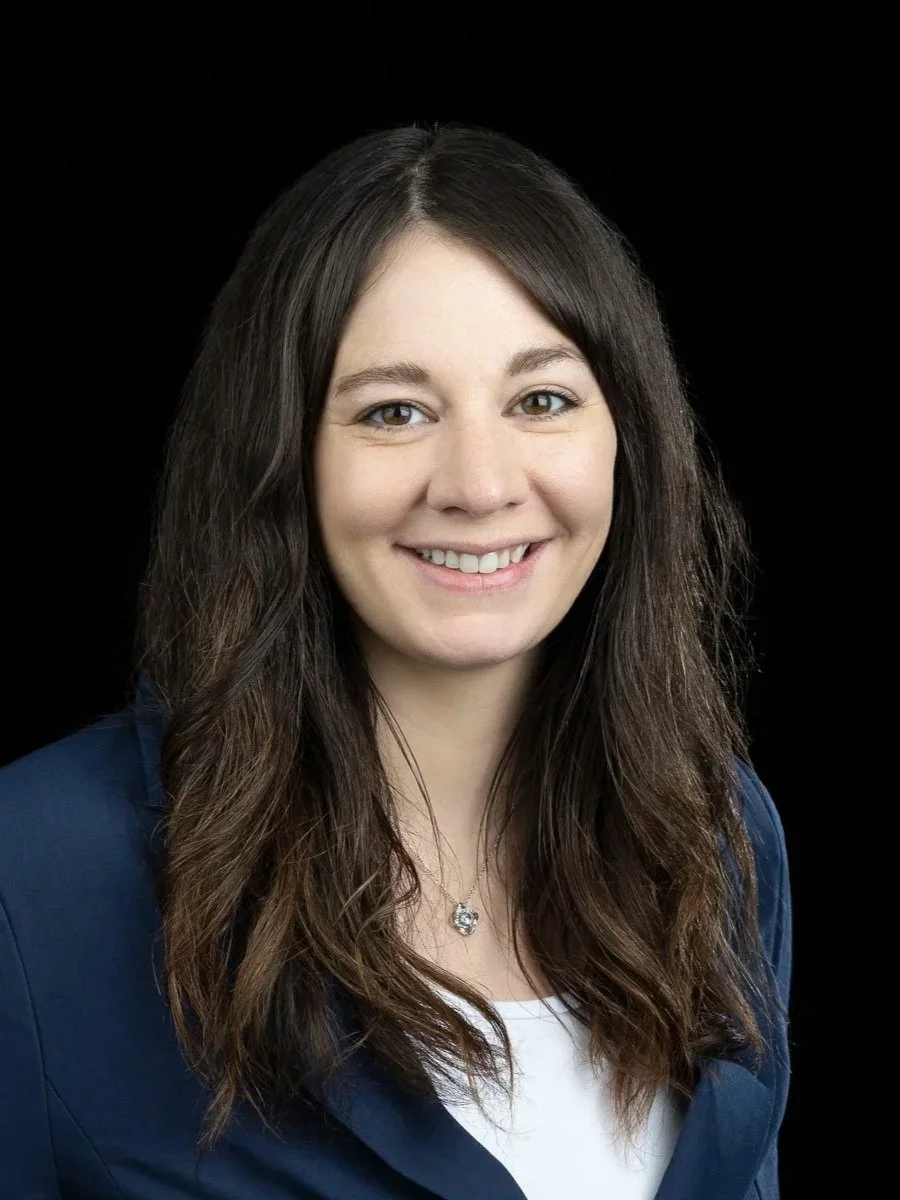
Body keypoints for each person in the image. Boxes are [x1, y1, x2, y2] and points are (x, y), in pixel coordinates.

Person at [0, 121, 791, 1200]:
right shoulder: (37, 873)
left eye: (541, 399)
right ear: (281, 455)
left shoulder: (717, 834)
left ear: (627, 439)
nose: (477, 480)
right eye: (395, 411)